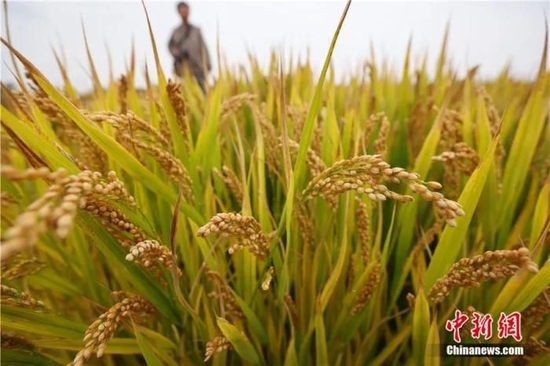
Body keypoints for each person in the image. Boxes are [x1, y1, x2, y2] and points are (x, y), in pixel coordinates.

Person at [168, 2, 211, 93]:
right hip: (183, 69)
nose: (184, 12)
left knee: (202, 92)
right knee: (187, 94)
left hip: (198, 67)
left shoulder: (196, 30)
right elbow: (170, 46)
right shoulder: (176, 32)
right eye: (182, 10)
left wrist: (208, 63)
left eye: (185, 9)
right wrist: (177, 53)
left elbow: (204, 48)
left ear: (189, 10)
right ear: (178, 12)